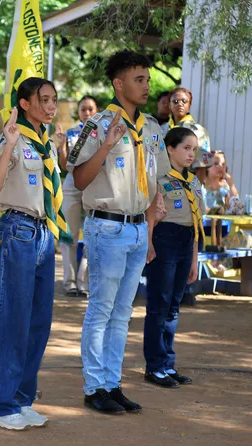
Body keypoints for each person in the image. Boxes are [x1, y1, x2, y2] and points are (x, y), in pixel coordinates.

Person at [67, 50, 169, 415]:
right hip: (107, 226)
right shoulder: (95, 125)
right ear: (118, 83)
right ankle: (94, 387)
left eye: (147, 79)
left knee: (123, 312)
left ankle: (113, 383)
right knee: (101, 310)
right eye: (138, 79)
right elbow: (78, 179)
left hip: (139, 229)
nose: (146, 85)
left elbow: (156, 184)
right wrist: (107, 144)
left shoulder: (153, 129)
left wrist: (151, 233)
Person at [0, 78, 71, 430]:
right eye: (44, 100)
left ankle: (21, 399)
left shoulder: (46, 144)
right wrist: (9, 147)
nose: (51, 106)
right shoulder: (13, 138)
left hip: (43, 232)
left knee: (38, 321)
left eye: (54, 100)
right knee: (12, 318)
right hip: (17, 229)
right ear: (25, 104)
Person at [143, 127, 205, 388]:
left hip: (185, 242)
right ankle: (154, 366)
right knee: (159, 304)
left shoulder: (194, 182)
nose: (191, 154)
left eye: (194, 149)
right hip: (163, 241)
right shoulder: (158, 178)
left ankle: (167, 363)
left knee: (174, 306)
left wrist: (194, 260)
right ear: (170, 148)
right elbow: (150, 216)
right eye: (186, 148)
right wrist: (148, 245)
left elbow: (195, 222)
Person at [55, 95, 99, 297]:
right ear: (78, 112)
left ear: (97, 111)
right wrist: (61, 146)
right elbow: (64, 166)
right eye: (83, 109)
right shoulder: (71, 133)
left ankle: (85, 282)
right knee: (69, 235)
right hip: (72, 183)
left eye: (91, 109)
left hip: (95, 184)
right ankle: (70, 282)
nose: (87, 113)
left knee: (92, 235)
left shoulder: (103, 133)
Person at [163, 88, 211, 179]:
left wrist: (197, 191)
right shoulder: (162, 128)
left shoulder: (199, 131)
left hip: (187, 182)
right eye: (175, 101)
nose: (180, 104)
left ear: (189, 105)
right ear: (169, 105)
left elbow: (202, 166)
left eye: (184, 101)